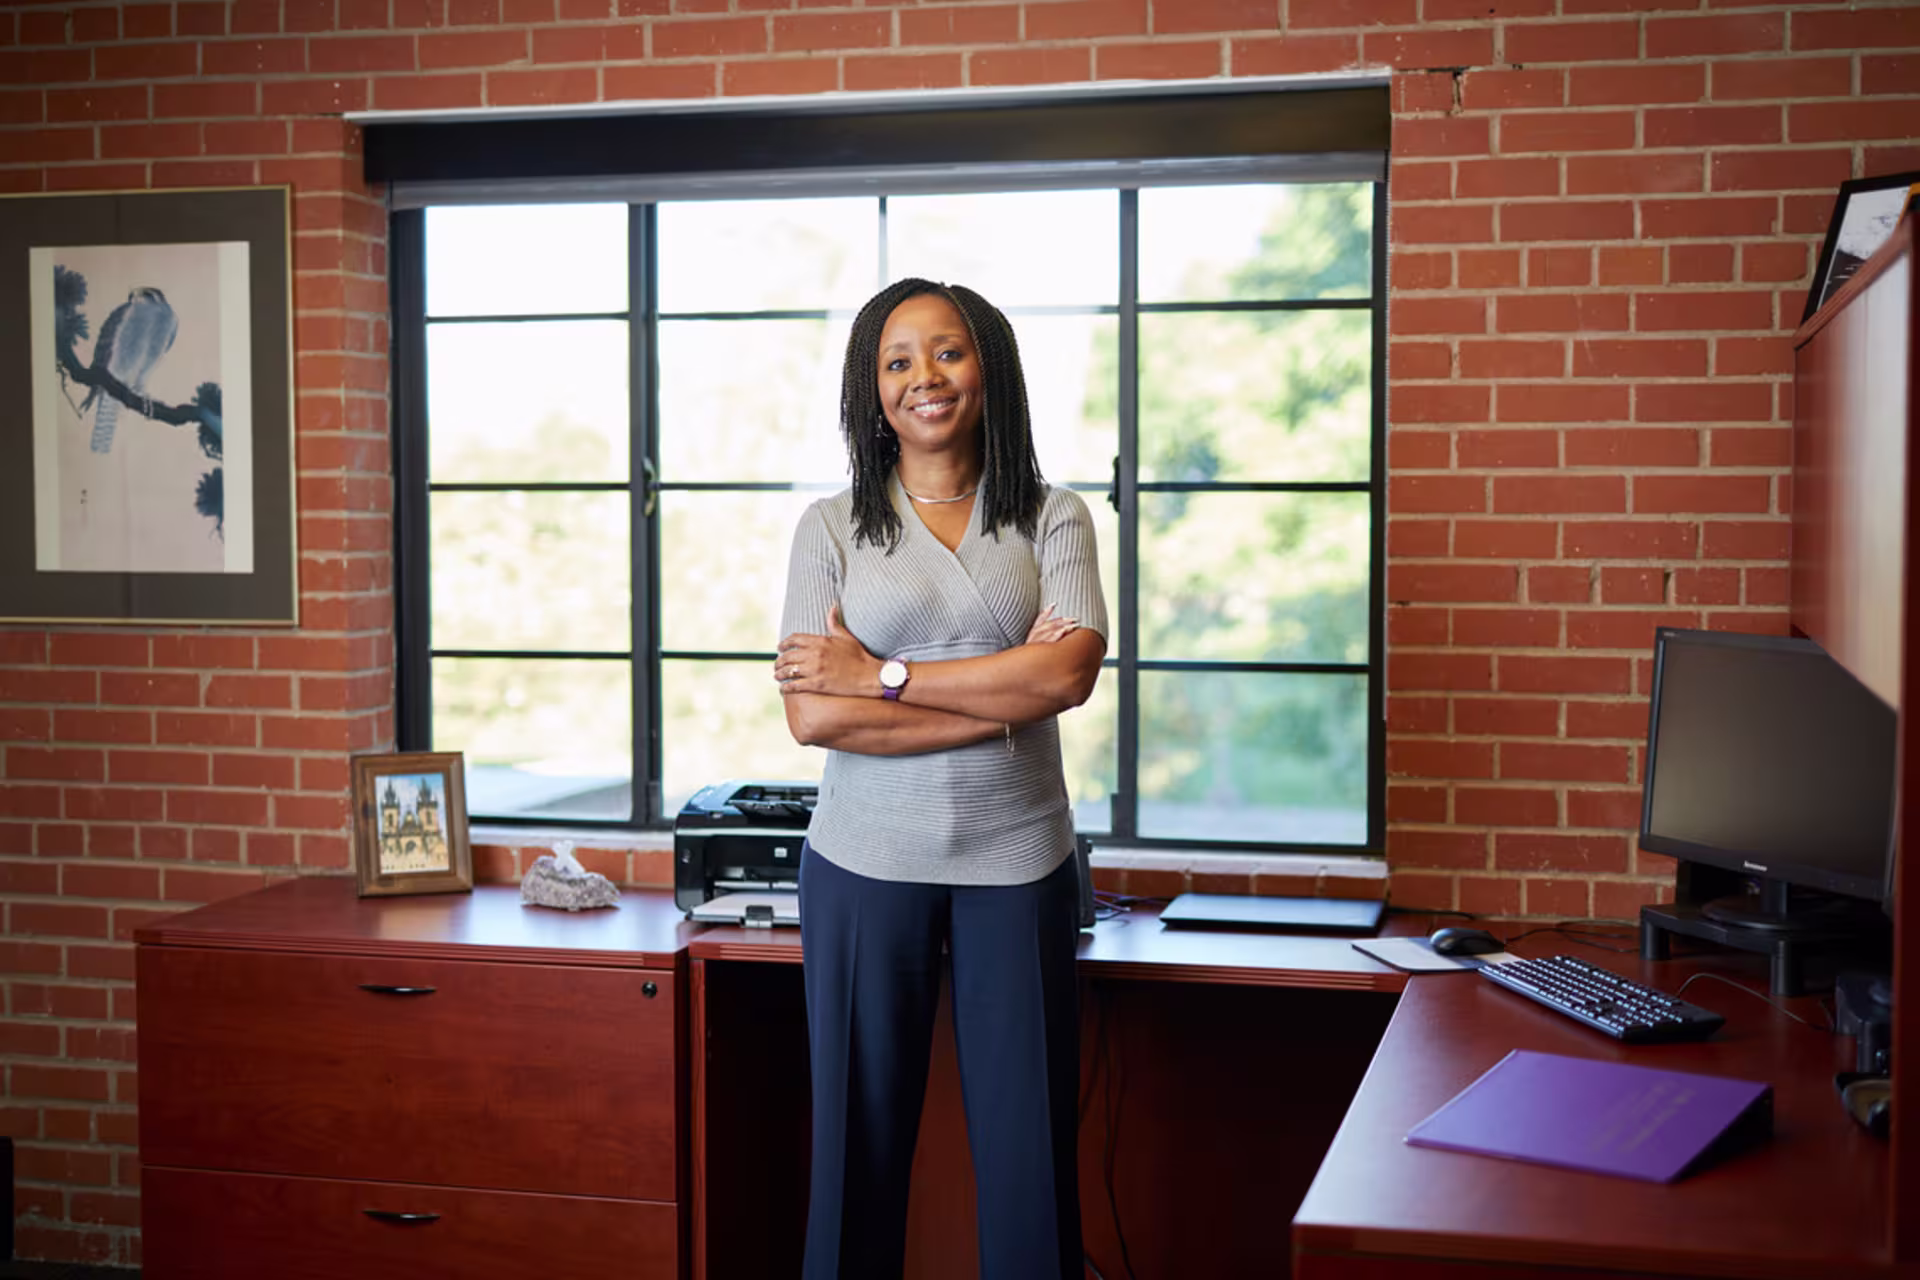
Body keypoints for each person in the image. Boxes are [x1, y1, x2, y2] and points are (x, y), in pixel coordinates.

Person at [774, 277, 1109, 1280]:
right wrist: (1001, 693)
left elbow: (1068, 674)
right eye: (898, 358)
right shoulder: (829, 529)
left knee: (1030, 1174)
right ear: (870, 388)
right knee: (853, 1165)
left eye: (948, 351)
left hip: (1020, 865)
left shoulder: (1054, 517)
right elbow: (812, 715)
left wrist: (883, 675)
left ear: (988, 365)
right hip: (863, 867)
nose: (925, 376)